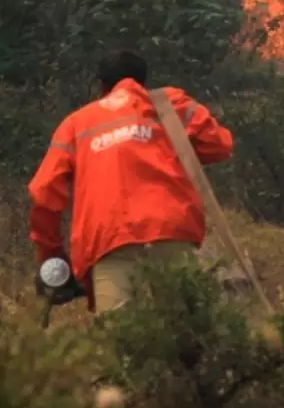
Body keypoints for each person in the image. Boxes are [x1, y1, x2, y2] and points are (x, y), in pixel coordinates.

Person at [28, 49, 234, 314]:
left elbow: (44, 194)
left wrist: (52, 256)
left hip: (109, 241)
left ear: (101, 86)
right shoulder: (171, 104)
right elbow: (221, 146)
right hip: (170, 231)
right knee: (184, 338)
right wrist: (164, 146)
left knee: (121, 341)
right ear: (143, 81)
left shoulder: (75, 124)